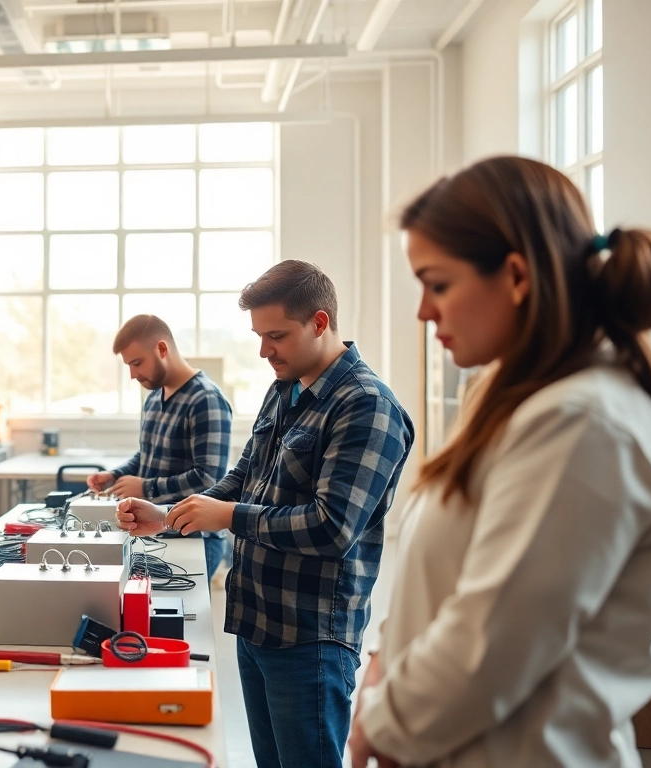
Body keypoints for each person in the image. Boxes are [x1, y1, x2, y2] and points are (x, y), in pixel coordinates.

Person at [348, 156, 651, 768]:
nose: (424, 311)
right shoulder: (523, 404)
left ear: (516, 275)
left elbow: (493, 642)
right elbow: (447, 586)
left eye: (438, 283)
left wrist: (384, 723)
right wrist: (379, 672)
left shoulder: (583, 423)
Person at [117, 260, 415, 768]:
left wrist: (229, 516)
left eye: (276, 335)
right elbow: (243, 478)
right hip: (257, 622)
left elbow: (331, 526)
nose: (263, 350)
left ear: (320, 323)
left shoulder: (367, 406)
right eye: (258, 335)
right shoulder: (285, 389)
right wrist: (168, 515)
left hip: (310, 636)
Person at [87, 314, 233, 577]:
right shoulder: (153, 397)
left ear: (162, 349)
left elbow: (210, 480)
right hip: (155, 531)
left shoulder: (206, 399)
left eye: (137, 363)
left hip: (195, 539)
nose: (132, 374)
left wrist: (145, 487)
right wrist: (115, 476)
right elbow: (147, 455)